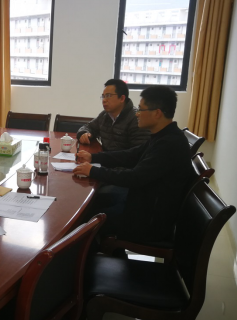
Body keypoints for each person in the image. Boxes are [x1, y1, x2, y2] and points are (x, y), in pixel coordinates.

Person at [73, 85, 195, 244]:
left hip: (148, 220)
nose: (137, 113)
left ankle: (89, 256)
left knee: (84, 218)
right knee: (90, 203)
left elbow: (135, 177)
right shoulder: (163, 136)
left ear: (157, 113)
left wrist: (93, 171)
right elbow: (131, 155)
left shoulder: (169, 144)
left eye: (141, 109)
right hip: (142, 201)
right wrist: (93, 157)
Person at [77, 79, 150, 151]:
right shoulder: (104, 115)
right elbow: (88, 127)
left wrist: (100, 157)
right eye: (103, 96)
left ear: (122, 98)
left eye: (108, 95)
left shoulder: (136, 119)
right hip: (105, 157)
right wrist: (85, 133)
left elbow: (138, 153)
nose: (104, 100)